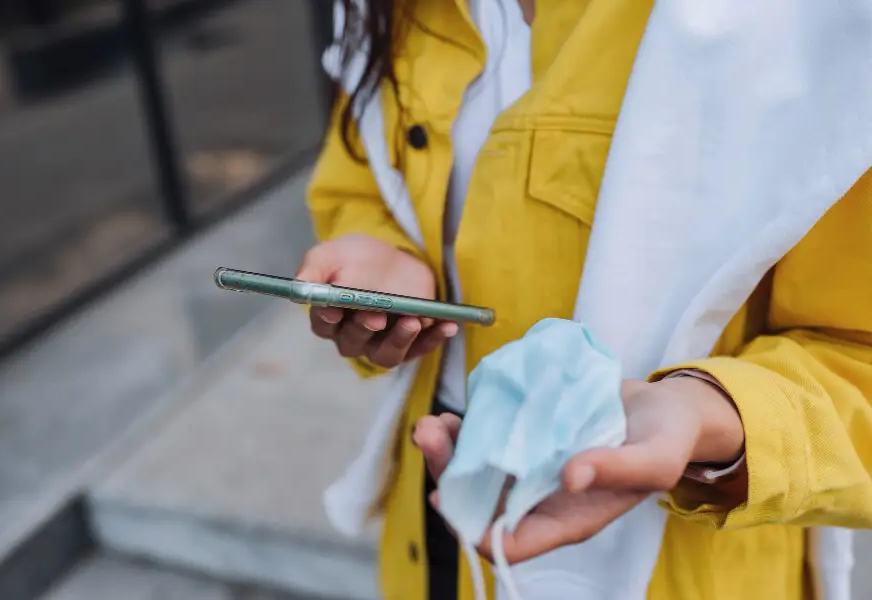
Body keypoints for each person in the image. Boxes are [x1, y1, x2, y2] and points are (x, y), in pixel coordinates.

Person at [298, 1, 872, 599]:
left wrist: (705, 416)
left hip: (674, 567)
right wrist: (381, 255)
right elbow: (360, 179)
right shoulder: (399, 10)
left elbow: (859, 359)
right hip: (439, 519)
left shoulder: (801, 17)